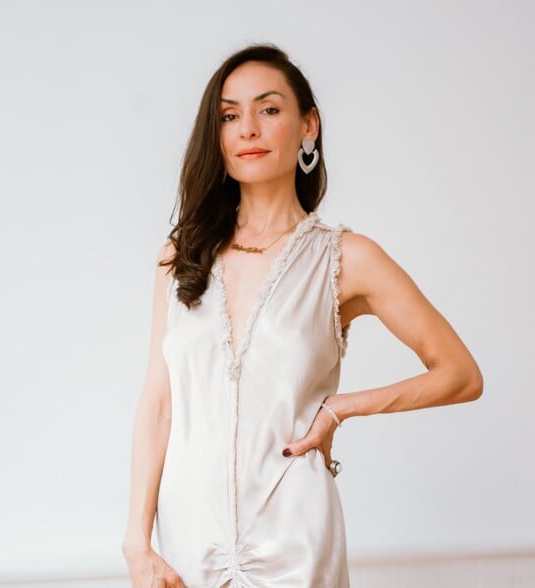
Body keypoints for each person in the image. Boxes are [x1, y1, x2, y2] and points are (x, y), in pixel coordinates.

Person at [121, 43, 483, 588]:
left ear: (308, 125)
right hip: (188, 540)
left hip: (295, 538)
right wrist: (136, 542)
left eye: (269, 109)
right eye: (229, 116)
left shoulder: (346, 258)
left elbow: (461, 374)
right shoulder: (181, 257)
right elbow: (158, 402)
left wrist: (341, 407)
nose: (248, 128)